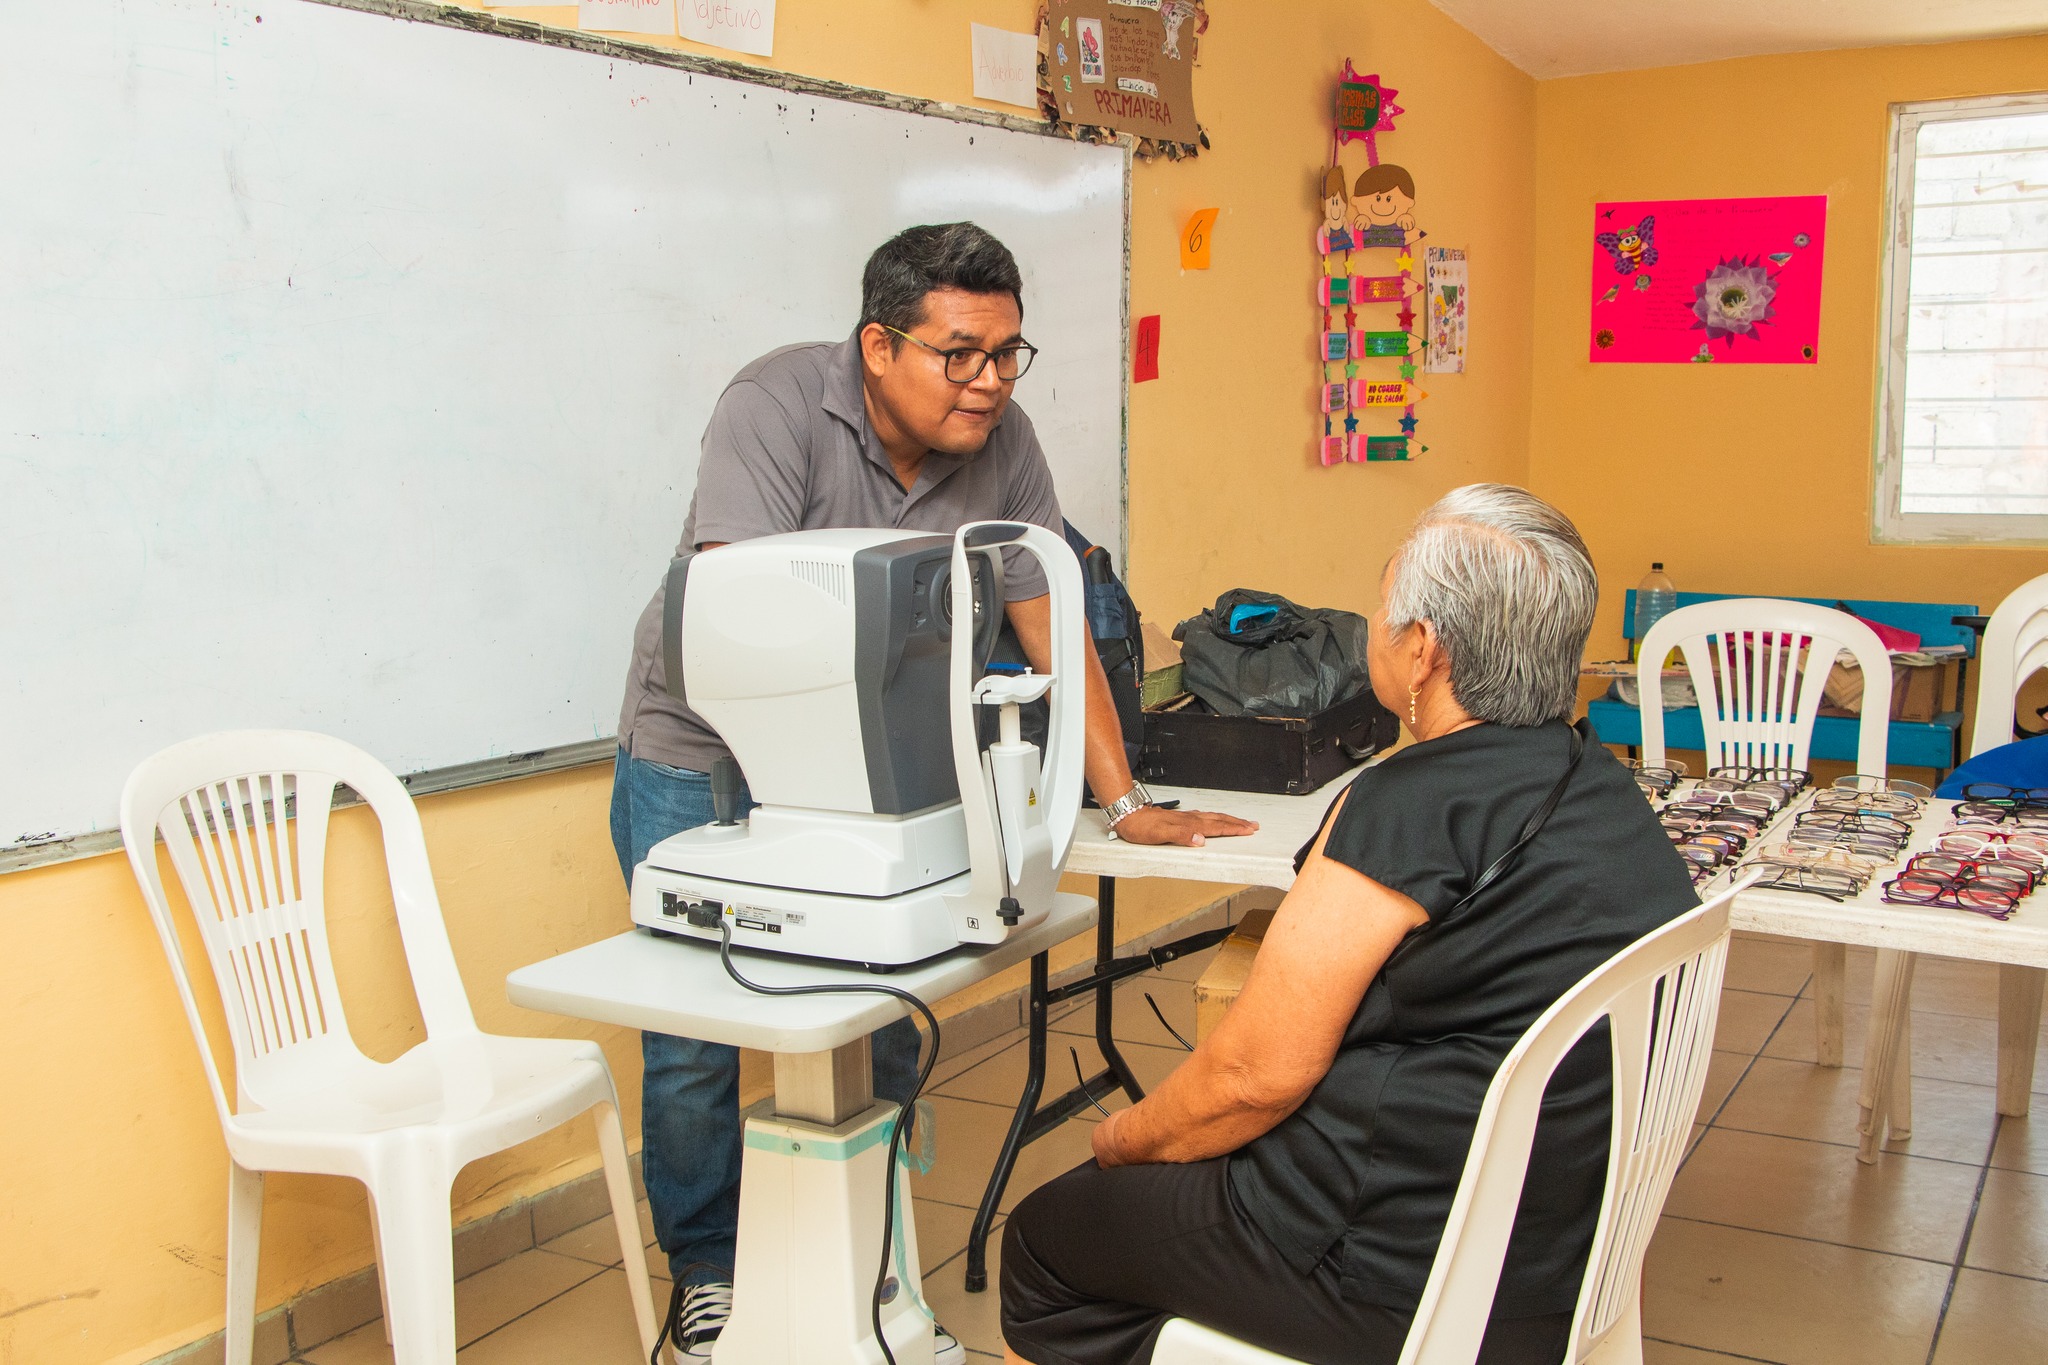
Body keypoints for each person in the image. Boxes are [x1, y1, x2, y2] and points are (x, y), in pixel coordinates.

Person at [609, 221, 1257, 1360]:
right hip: (702, 754)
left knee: (888, 1009)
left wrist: (1122, 802)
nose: (990, 382)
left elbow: (1050, 625)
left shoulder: (1002, 443)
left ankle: (871, 1246)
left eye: (1008, 354)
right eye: (960, 354)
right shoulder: (772, 408)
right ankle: (708, 1273)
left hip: (876, 760)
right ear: (877, 345)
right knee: (694, 1044)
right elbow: (741, 614)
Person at [999, 485, 1699, 1365]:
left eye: (1382, 608)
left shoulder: (1407, 807)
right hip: (1553, 1257)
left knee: (1046, 1242)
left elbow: (1252, 1079)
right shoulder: (1599, 783)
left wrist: (1121, 1139)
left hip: (1400, 1273)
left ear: (1424, 652)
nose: (1371, 625)